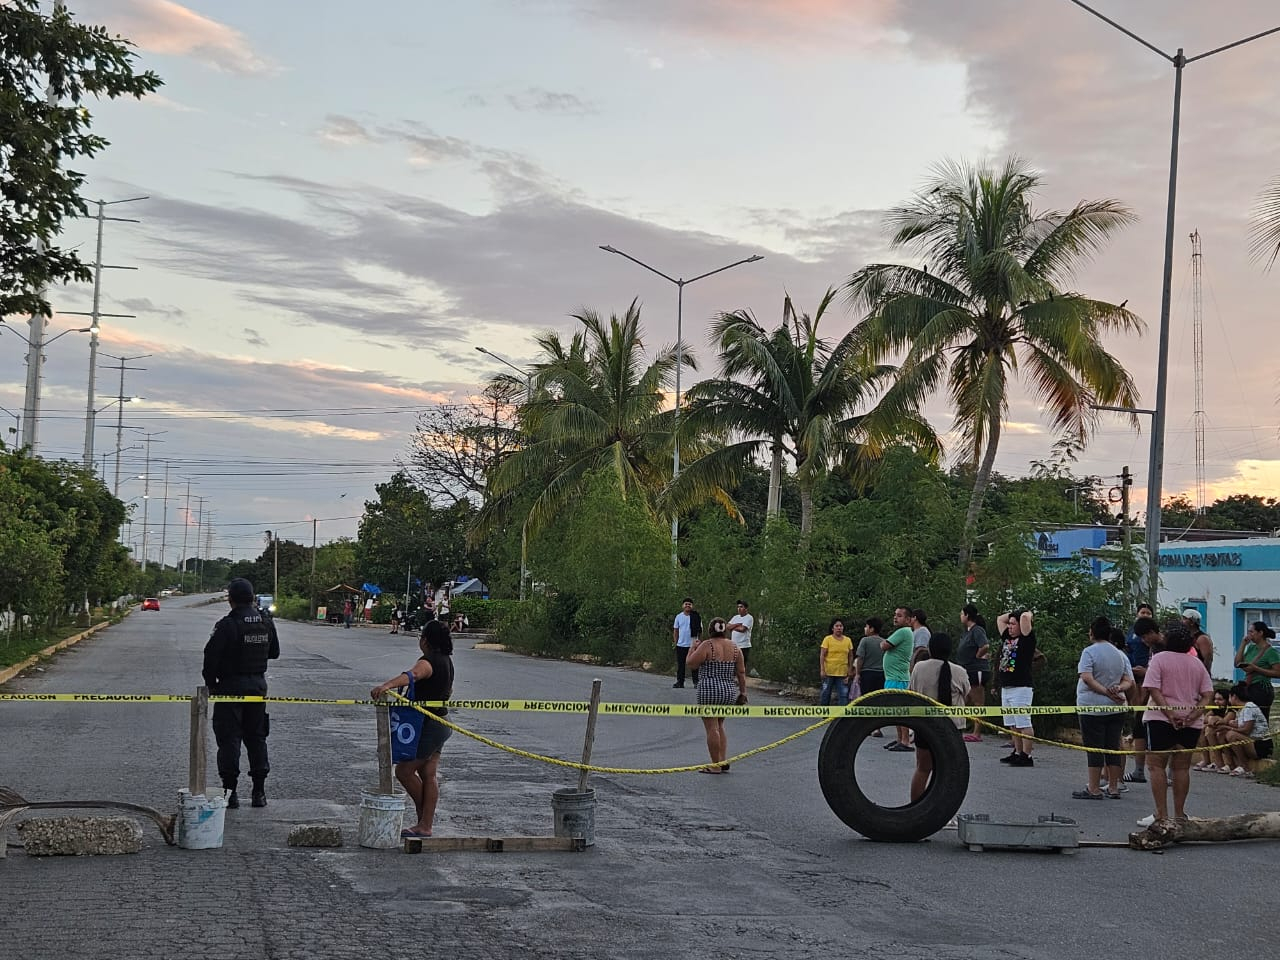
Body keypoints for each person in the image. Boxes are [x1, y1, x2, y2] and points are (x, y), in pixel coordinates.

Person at [370, 619, 456, 837]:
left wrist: (387, 685)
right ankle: (425, 825)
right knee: (428, 773)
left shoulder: (429, 661)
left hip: (430, 725)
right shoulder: (446, 661)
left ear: (425, 640)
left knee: (404, 771)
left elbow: (413, 675)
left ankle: (424, 817)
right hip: (442, 723)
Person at [202, 577, 281, 809]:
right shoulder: (266, 622)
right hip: (257, 687)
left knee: (229, 740)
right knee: (257, 738)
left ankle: (231, 793)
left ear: (231, 599)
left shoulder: (227, 624)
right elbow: (274, 652)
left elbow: (210, 659)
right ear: (252, 598)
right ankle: (259, 793)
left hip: (230, 688)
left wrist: (211, 684)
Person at [1140, 620, 1214, 825]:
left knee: (1156, 766)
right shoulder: (1196, 662)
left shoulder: (1159, 658)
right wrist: (1194, 715)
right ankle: (1180, 815)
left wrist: (1169, 713)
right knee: (1181, 768)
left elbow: (1153, 688)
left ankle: (1161, 815)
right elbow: (1208, 694)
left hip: (1159, 719)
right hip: (1191, 722)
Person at [1073, 616, 1135, 800]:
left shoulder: (1089, 652)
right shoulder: (1119, 654)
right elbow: (1128, 680)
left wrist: (1105, 691)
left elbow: (1087, 677)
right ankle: (1114, 786)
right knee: (1112, 746)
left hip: (1092, 706)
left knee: (1094, 747)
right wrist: (1118, 689)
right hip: (1116, 707)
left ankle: (1093, 787)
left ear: (1092, 632)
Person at [908, 632, 970, 802]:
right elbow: (968, 695)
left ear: (930, 648)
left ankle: (915, 809)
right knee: (948, 774)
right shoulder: (959, 672)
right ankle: (943, 814)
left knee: (922, 769)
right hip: (952, 728)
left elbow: (911, 692)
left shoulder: (919, 668)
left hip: (924, 726)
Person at [686, 617, 747, 773]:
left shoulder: (707, 645)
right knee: (720, 724)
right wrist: (743, 692)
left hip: (709, 690)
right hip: (728, 690)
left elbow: (692, 664)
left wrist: (692, 649)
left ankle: (715, 765)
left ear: (710, 630)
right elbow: (741, 672)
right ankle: (722, 759)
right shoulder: (735, 648)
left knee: (711, 727)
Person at [1123, 615, 1162, 784]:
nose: (1144, 641)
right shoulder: (1152, 649)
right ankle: (1139, 770)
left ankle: (1167, 773)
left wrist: (1146, 673)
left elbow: (1162, 673)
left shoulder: (1164, 648)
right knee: (1139, 729)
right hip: (1148, 695)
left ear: (1153, 632)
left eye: (1145, 637)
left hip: (1163, 698)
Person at [996, 608, 1037, 768]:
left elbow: (1026, 616)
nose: (1010, 626)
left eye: (1014, 624)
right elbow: (1000, 618)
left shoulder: (1027, 639)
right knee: (1012, 723)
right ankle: (1018, 752)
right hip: (1007, 686)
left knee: (1023, 722)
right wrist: (1013, 614)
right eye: (1010, 624)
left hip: (1021, 687)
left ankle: (1027, 755)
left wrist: (1024, 614)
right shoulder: (1007, 637)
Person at [1209, 683, 1274, 777]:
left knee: (1231, 735)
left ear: (1234, 696)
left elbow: (1246, 730)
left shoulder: (1249, 708)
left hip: (1260, 744)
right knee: (1222, 734)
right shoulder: (1241, 710)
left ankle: (1244, 766)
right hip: (1251, 741)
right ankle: (1230, 764)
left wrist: (1227, 727)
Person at [880, 606, 915, 751]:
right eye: (895, 615)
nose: (895, 617)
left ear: (908, 619)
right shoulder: (902, 632)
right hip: (893, 676)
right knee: (895, 710)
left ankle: (905, 740)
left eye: (899, 616)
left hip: (898, 678)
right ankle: (900, 738)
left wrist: (883, 643)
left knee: (900, 709)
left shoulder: (903, 631)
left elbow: (884, 645)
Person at [956, 604, 989, 742]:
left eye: (962, 613)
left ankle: (977, 732)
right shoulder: (967, 632)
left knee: (977, 702)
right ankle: (963, 727)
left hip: (977, 670)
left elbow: (985, 646)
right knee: (965, 699)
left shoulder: (977, 630)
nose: (960, 616)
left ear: (967, 615)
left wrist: (977, 655)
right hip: (966, 670)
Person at [1234, 621, 1280, 717]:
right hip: (1249, 685)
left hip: (1261, 688)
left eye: (1251, 632)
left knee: (1259, 718)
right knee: (1247, 717)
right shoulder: (1251, 648)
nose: (1249, 635)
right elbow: (1237, 663)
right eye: (1248, 632)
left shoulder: (1271, 652)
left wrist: (1256, 668)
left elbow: (1277, 672)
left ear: (1260, 633)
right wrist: (1243, 644)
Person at [854, 617, 887, 729]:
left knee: (867, 700)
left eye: (867, 626)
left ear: (872, 629)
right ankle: (877, 727)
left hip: (867, 673)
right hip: (881, 674)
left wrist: (857, 673)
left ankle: (867, 726)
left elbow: (860, 658)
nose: (865, 629)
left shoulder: (865, 641)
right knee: (878, 701)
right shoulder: (884, 641)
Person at [1192, 689, 1235, 772]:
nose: (1217, 701)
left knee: (1210, 730)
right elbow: (1204, 719)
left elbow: (1223, 721)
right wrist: (1212, 719)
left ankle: (1221, 763)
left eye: (1220, 699)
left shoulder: (1231, 711)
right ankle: (1206, 760)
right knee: (1202, 729)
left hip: (1225, 733)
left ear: (1226, 700)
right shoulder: (1215, 709)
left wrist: (1215, 719)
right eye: (1215, 699)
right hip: (1216, 732)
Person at [818, 619, 853, 706]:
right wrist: (822, 669)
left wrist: (850, 669)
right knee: (826, 693)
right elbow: (822, 655)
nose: (839, 628)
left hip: (842, 672)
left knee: (843, 694)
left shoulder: (847, 640)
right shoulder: (828, 639)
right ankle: (825, 713)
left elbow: (850, 656)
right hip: (828, 671)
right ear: (832, 628)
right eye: (836, 626)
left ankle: (841, 716)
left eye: (840, 626)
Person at [672, 598, 702, 689]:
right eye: (686, 604)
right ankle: (680, 682)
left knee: (694, 664)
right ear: (683, 606)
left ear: (692, 606)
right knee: (681, 665)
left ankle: (696, 682)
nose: (688, 606)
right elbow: (676, 631)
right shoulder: (679, 616)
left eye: (689, 604)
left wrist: (699, 642)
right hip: (681, 645)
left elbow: (700, 631)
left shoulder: (696, 617)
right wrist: (675, 642)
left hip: (693, 645)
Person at [1182, 608, 1214, 672]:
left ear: (1192, 622)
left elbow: (1208, 660)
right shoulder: (1186, 636)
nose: (1182, 621)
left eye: (1185, 619)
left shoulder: (1202, 638)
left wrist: (1203, 675)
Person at [727, 600, 755, 674]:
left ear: (746, 608)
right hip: (734, 645)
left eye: (741, 607)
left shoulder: (749, 618)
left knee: (741, 665)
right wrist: (737, 624)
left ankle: (741, 680)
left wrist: (733, 627)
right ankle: (732, 678)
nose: (739, 608)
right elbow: (727, 626)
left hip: (743, 645)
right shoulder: (735, 617)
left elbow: (742, 629)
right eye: (738, 607)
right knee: (732, 663)